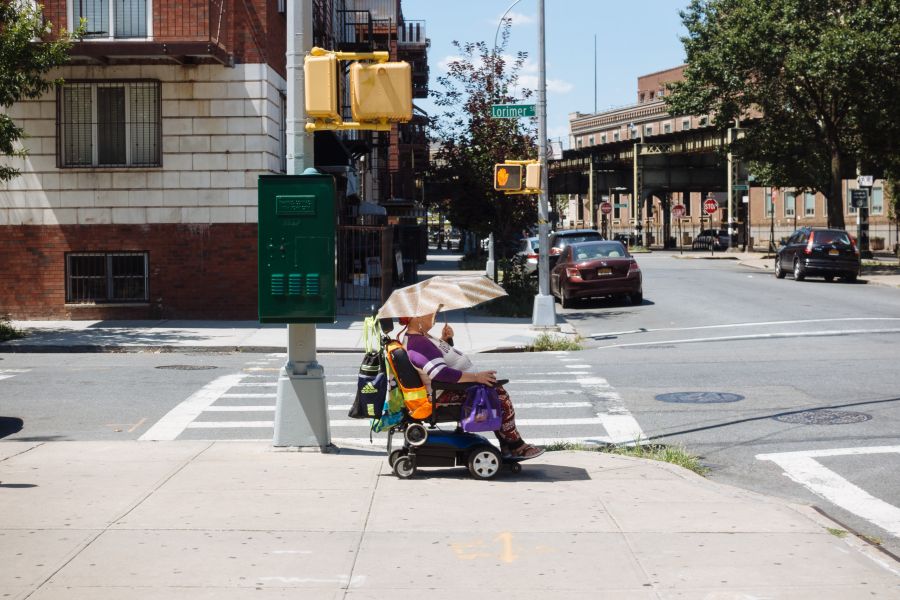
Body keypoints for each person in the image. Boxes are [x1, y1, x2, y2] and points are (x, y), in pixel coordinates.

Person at [399, 312, 544, 459]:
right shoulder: (419, 343)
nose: (435, 315)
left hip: (448, 388)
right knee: (497, 396)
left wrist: (445, 340)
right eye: (431, 312)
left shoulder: (421, 337)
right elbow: (440, 373)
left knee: (493, 390)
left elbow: (436, 358)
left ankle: (506, 444)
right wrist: (476, 377)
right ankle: (515, 445)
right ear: (417, 317)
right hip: (443, 394)